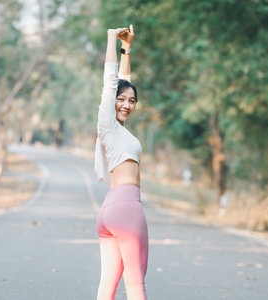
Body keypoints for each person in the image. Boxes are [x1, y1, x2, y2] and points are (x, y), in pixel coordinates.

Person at [94, 25, 149, 300]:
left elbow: (122, 82)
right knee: (136, 282)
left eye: (132, 101)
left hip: (109, 210)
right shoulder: (107, 124)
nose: (127, 104)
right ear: (111, 102)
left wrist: (127, 48)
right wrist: (110, 39)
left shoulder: (118, 129)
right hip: (127, 208)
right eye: (121, 100)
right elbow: (112, 82)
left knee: (109, 284)